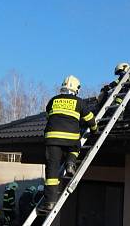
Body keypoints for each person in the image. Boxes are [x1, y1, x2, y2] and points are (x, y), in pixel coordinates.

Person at [42, 75, 98, 212]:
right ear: (76, 88)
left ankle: (50, 202)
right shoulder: (79, 102)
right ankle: (70, 163)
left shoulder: (53, 101)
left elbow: (49, 117)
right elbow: (90, 118)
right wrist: (95, 130)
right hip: (70, 138)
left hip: (52, 139)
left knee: (52, 172)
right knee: (76, 146)